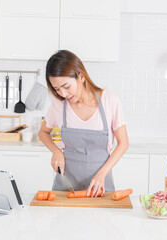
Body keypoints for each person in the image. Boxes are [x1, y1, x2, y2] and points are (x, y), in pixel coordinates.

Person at [38, 50, 129, 197]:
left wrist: (102, 174)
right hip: (65, 186)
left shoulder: (110, 101)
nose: (63, 94)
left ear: (81, 76)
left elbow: (123, 143)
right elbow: (43, 133)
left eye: (66, 87)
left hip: (100, 185)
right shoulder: (59, 104)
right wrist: (56, 151)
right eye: (57, 89)